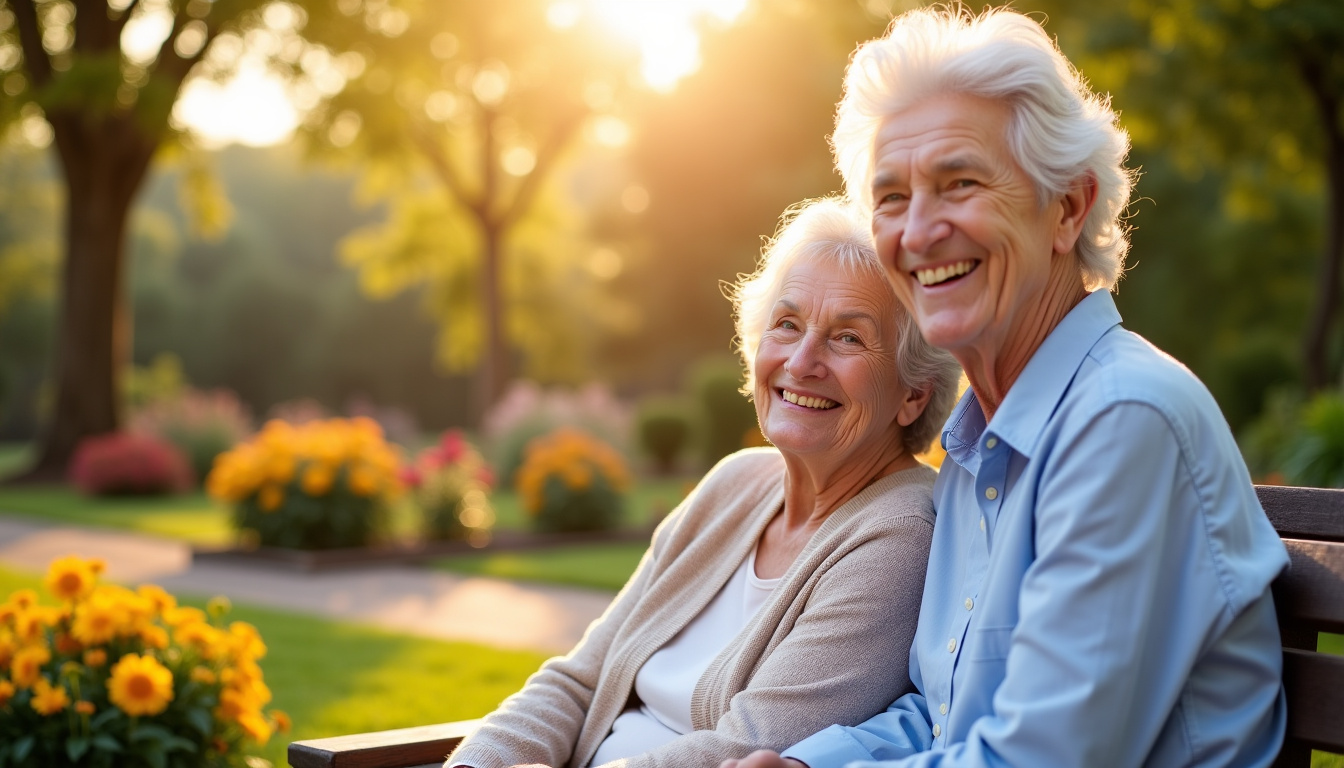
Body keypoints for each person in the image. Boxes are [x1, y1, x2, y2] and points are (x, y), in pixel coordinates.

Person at [723, 7, 1290, 768]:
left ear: (1068, 207)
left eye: (958, 183)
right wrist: (802, 764)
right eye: (892, 197)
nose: (918, 233)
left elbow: (1039, 757)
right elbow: (943, 715)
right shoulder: (980, 446)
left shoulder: (1124, 420)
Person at [444, 199, 962, 768]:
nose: (802, 360)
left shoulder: (901, 533)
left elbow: (745, 748)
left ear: (914, 391)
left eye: (847, 338)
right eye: (786, 325)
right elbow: (579, 679)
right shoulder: (735, 482)